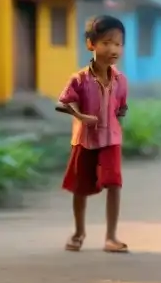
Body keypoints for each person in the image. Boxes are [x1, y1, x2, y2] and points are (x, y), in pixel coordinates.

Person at [56, 15, 130, 254]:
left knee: (114, 185)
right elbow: (64, 102)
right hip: (85, 141)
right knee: (80, 187)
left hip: (111, 141)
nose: (113, 49)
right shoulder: (79, 79)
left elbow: (121, 107)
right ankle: (79, 232)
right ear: (91, 44)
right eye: (107, 42)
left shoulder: (121, 80)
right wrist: (81, 117)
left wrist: (116, 124)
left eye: (118, 44)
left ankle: (111, 236)